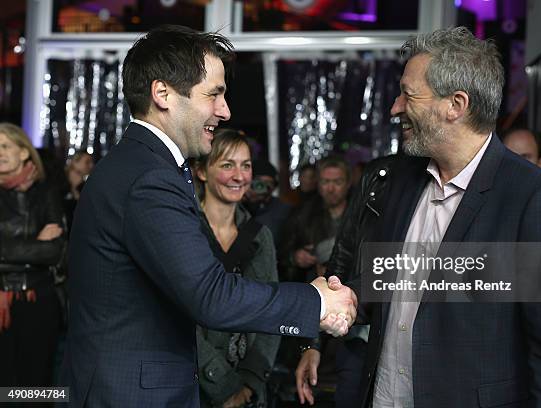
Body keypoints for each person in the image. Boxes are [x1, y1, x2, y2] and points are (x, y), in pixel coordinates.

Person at [61, 25, 356, 408]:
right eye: (214, 94)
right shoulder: (150, 176)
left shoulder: (142, 164)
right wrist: (315, 303)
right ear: (163, 93)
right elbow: (210, 296)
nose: (225, 110)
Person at [303, 27, 541, 407]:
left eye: (409, 94)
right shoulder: (402, 180)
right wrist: (341, 297)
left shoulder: (537, 200)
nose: (395, 108)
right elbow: (391, 280)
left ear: (456, 105)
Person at [192, 129, 280, 407]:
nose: (239, 176)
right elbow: (175, 317)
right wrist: (224, 386)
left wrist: (249, 383)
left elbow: (272, 311)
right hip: (193, 386)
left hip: (248, 394)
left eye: (246, 165)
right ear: (202, 171)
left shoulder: (259, 235)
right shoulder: (184, 230)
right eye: (227, 165)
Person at [0, 123, 65, 388]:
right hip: (2, 301)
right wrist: (36, 243)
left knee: (37, 387)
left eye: (4, 146)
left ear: (25, 152)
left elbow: (55, 251)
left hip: (38, 301)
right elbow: (43, 249)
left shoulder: (47, 192)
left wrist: (9, 249)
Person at [243, 159, 292, 247]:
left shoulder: (282, 210)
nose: (263, 187)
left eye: (269, 183)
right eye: (259, 182)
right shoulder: (236, 205)